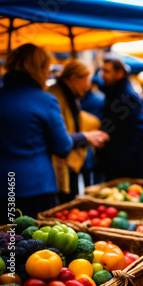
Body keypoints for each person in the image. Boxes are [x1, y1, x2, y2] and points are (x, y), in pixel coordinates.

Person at [0, 44, 108, 221]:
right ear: (39, 68)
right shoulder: (46, 100)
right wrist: (85, 137)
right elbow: (62, 146)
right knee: (35, 241)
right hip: (36, 186)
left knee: (7, 242)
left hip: (4, 186)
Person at [48, 59, 108, 203]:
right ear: (74, 78)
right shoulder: (54, 97)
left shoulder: (70, 95)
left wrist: (90, 134)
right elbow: (58, 137)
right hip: (58, 166)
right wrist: (85, 137)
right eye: (87, 80)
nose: (88, 86)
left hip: (68, 163)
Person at [98, 54, 143, 180]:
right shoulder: (113, 91)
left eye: (107, 71)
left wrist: (121, 164)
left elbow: (138, 132)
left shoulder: (128, 97)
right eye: (102, 70)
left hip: (127, 169)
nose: (102, 75)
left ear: (120, 73)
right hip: (116, 163)